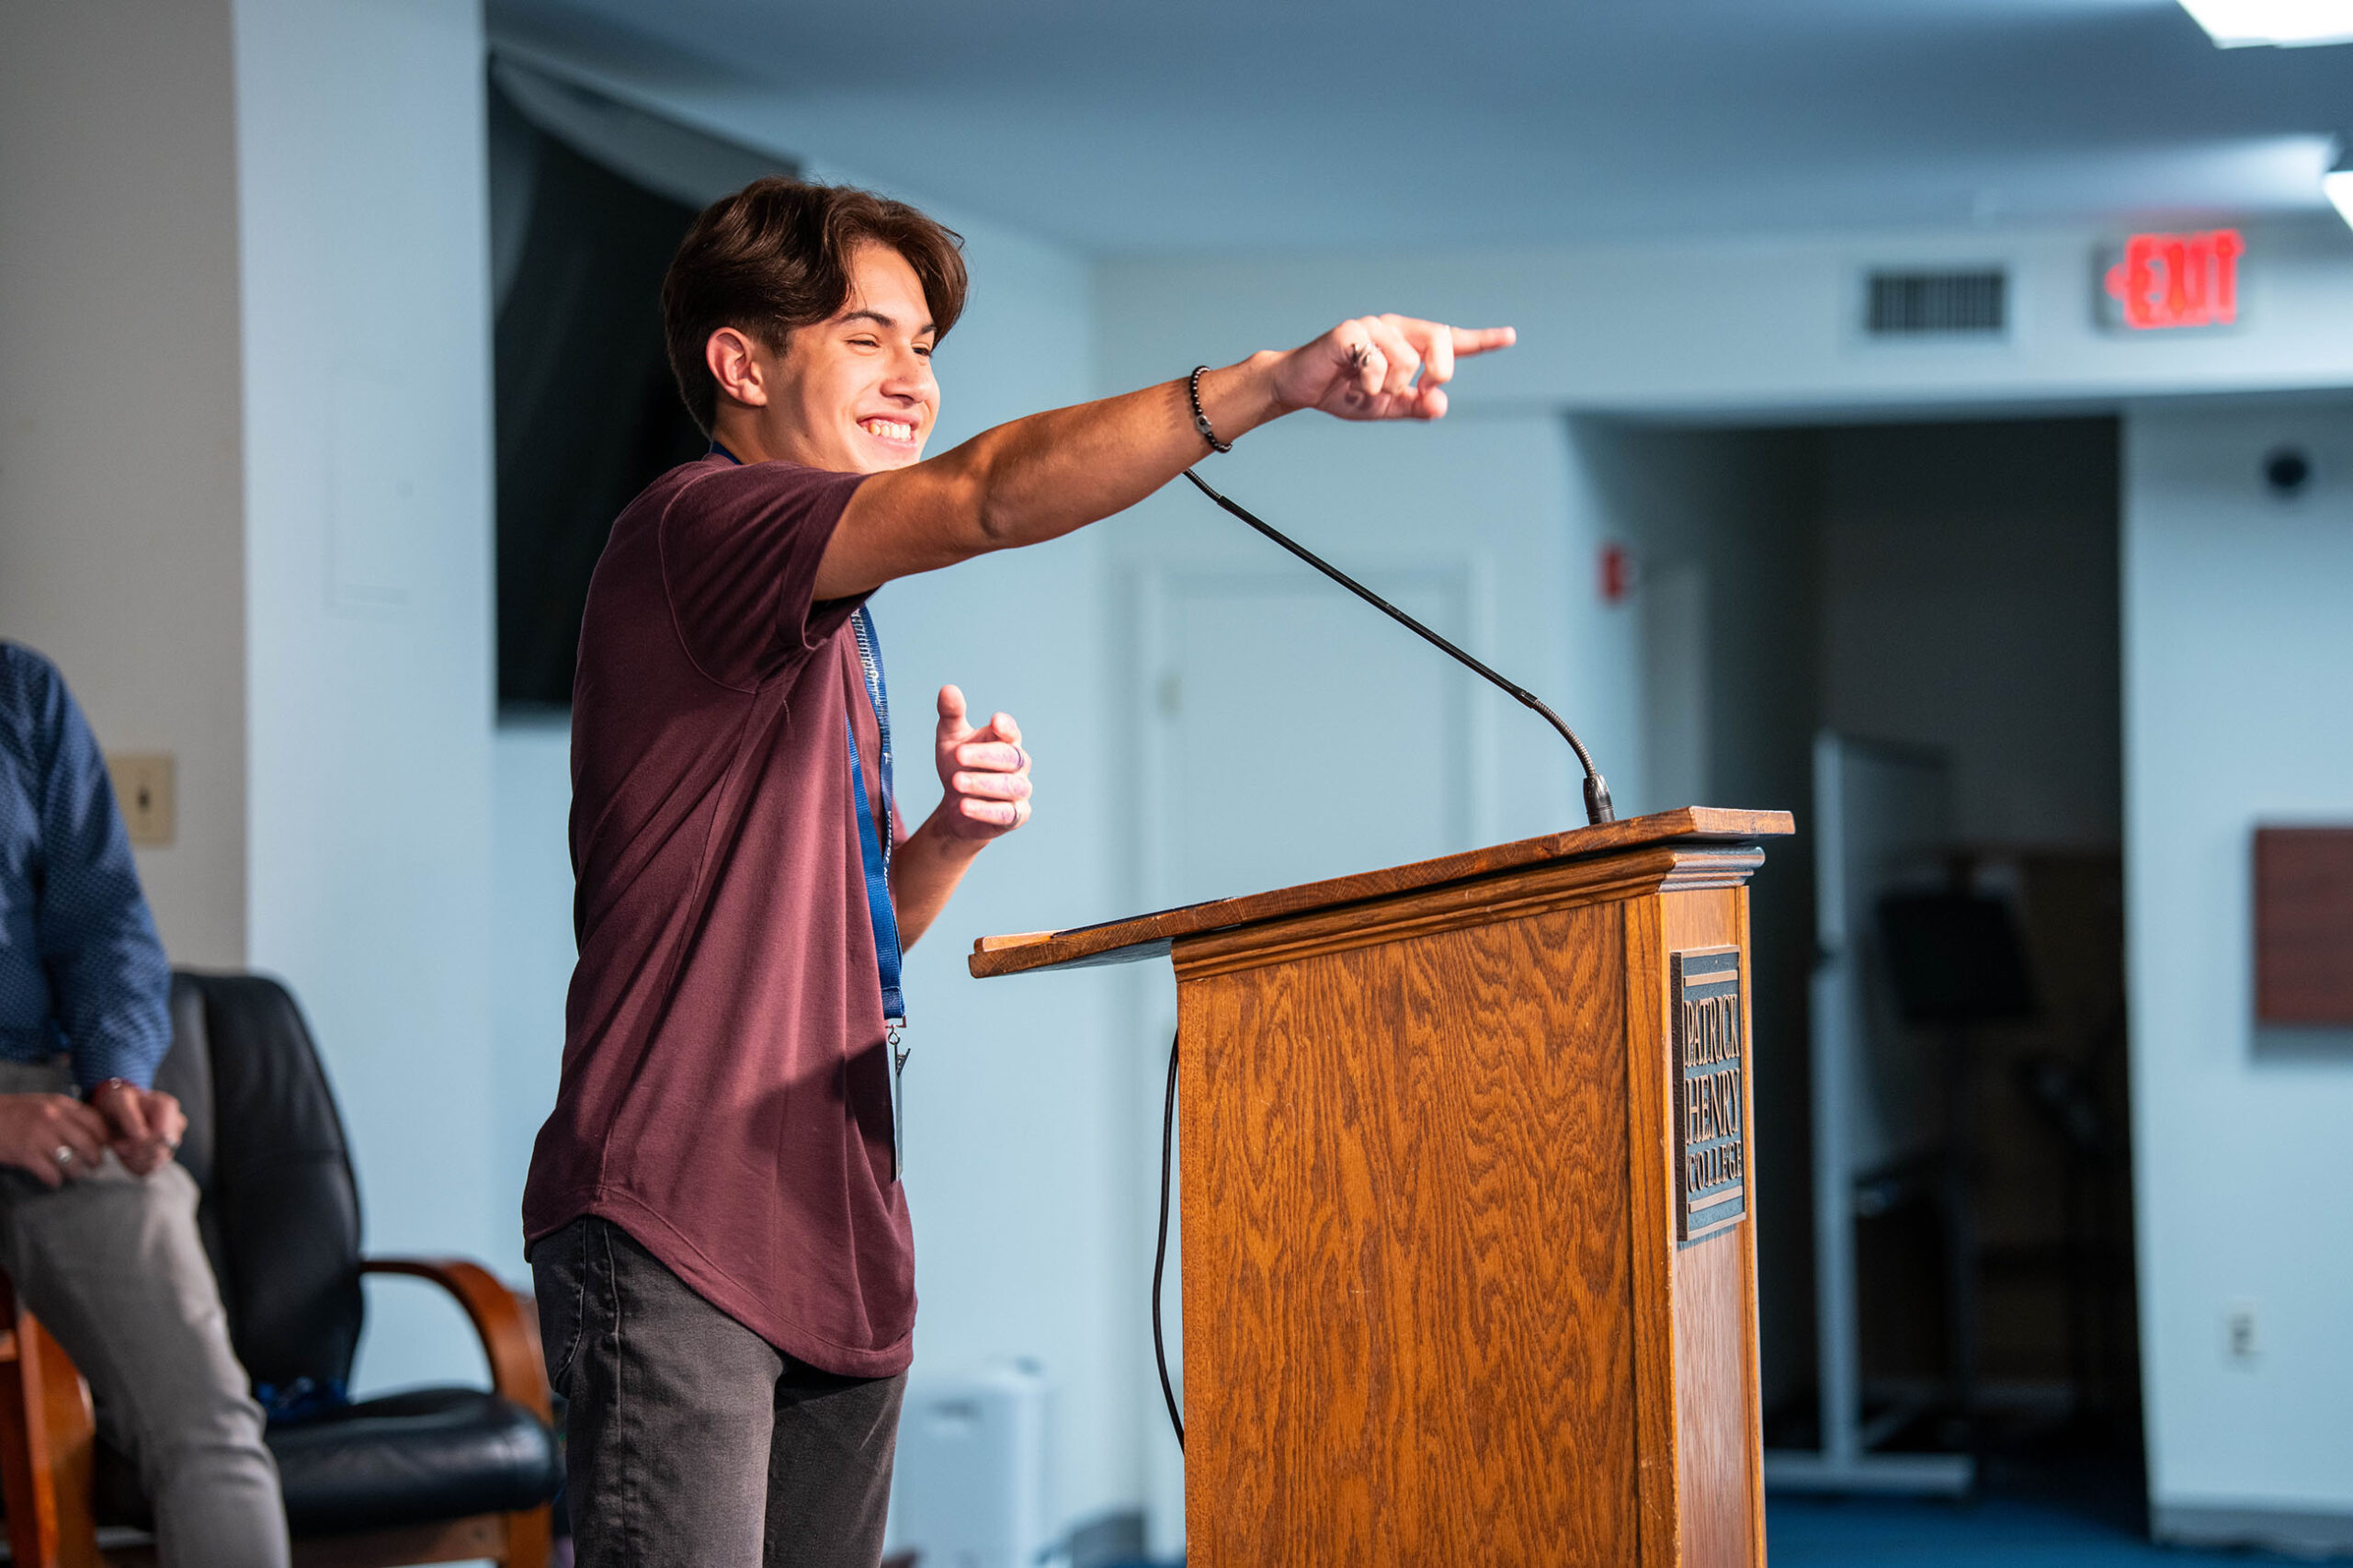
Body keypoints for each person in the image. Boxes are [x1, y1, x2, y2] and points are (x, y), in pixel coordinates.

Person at [521, 176, 1513, 1568]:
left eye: (925, 346)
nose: (911, 376)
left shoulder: (834, 629)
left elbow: (855, 954)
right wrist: (1273, 384)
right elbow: (983, 498)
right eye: (867, 336)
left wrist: (945, 844)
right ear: (741, 363)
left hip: (834, 1218)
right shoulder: (702, 526)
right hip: (677, 1219)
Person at [0, 642, 289, 1567]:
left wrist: (115, 1074)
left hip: (53, 1106)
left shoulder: (21, 689)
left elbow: (103, 919)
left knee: (209, 1425)